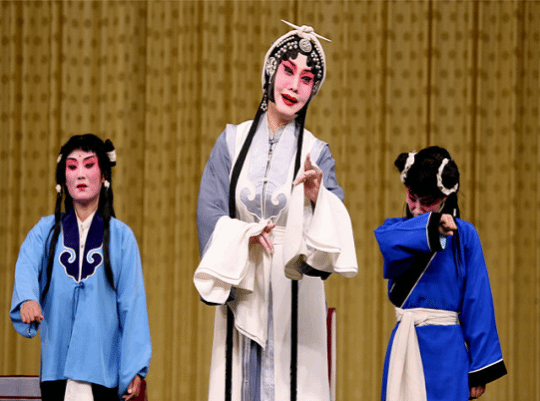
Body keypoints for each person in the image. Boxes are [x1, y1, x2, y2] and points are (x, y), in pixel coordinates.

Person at [194, 21, 358, 401]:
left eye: (306, 79)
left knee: (293, 382)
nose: (294, 86)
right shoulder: (231, 142)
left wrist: (317, 198)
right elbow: (210, 210)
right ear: (271, 72)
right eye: (288, 70)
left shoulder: (316, 152)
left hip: (293, 282)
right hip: (244, 274)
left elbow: (334, 227)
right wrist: (243, 236)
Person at [10, 134, 151, 401]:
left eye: (89, 164)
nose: (80, 174)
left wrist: (134, 367)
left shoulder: (121, 237)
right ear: (64, 178)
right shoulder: (46, 231)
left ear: (103, 175)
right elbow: (26, 263)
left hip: (103, 368)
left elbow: (132, 305)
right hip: (57, 366)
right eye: (72, 166)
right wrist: (28, 298)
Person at [374, 146, 507, 401]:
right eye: (412, 197)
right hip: (407, 341)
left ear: (445, 197)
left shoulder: (464, 235)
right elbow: (386, 242)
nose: (416, 209)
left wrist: (479, 369)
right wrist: (434, 224)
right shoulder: (396, 230)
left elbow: (478, 301)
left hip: (448, 350)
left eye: (427, 202)